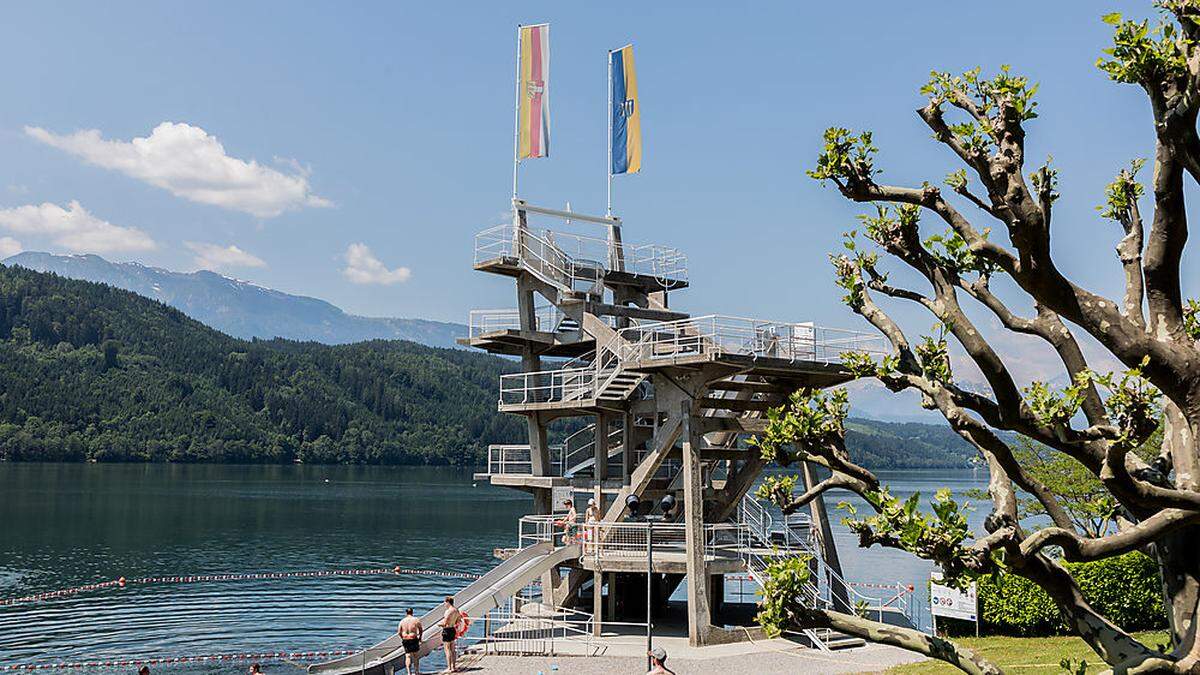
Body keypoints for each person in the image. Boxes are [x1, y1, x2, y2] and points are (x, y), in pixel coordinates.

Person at [398, 607, 423, 675]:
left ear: (406, 613)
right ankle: (416, 672)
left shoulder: (402, 621)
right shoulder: (415, 620)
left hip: (405, 639)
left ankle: (409, 673)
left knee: (408, 656)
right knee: (415, 656)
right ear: (412, 612)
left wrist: (402, 638)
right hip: (413, 639)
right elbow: (420, 630)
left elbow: (399, 632)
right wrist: (420, 638)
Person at [440, 595, 461, 673]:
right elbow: (458, 620)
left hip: (447, 630)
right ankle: (454, 667)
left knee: (447, 649)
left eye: (445, 602)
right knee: (453, 649)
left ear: (448, 602)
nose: (444, 604)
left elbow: (445, 623)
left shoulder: (448, 611)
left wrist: (439, 624)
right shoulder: (456, 610)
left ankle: (449, 668)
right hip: (453, 629)